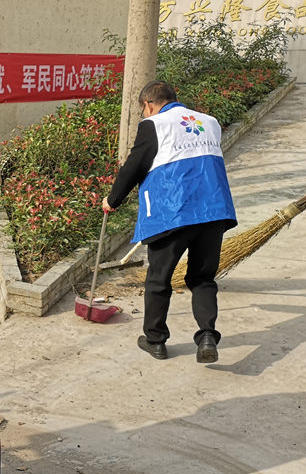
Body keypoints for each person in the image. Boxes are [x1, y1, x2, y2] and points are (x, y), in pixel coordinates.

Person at [102, 80, 237, 363]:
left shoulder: (155, 125)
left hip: (173, 213)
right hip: (213, 211)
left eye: (143, 110)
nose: (144, 115)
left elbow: (134, 166)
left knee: (158, 280)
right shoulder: (209, 121)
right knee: (202, 279)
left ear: (149, 104)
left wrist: (112, 200)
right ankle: (207, 336)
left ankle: (156, 340)